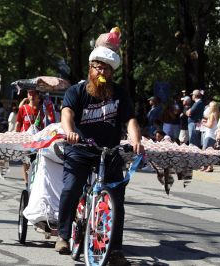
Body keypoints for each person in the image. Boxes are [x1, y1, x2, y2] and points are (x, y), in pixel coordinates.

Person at [55, 28, 144, 266]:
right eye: (97, 66)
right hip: (81, 149)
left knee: (116, 198)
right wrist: (70, 131)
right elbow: (67, 113)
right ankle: (63, 235)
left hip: (110, 152)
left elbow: (131, 120)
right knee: (72, 187)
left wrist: (135, 140)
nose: (101, 71)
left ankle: (115, 249)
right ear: (90, 68)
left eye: (105, 68)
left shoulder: (119, 93)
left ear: (111, 72)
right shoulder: (78, 91)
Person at [200, 101, 220, 172]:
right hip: (213, 135)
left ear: (212, 107)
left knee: (206, 151)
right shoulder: (217, 113)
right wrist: (206, 122)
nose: (208, 107)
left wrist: (203, 123)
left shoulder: (212, 114)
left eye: (209, 106)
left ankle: (209, 166)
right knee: (207, 151)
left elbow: (210, 126)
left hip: (210, 135)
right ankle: (206, 166)